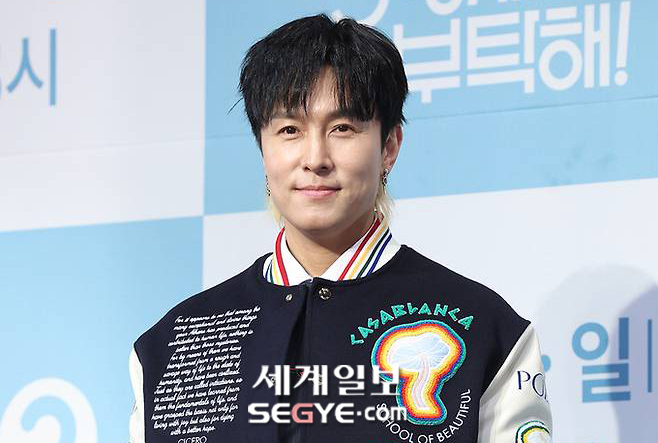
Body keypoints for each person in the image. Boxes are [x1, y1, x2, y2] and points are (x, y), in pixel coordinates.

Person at [129, 14, 553, 443]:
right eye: (289, 130)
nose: (315, 158)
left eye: (342, 128)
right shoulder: (171, 347)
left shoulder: (485, 329)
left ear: (389, 147)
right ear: (263, 149)